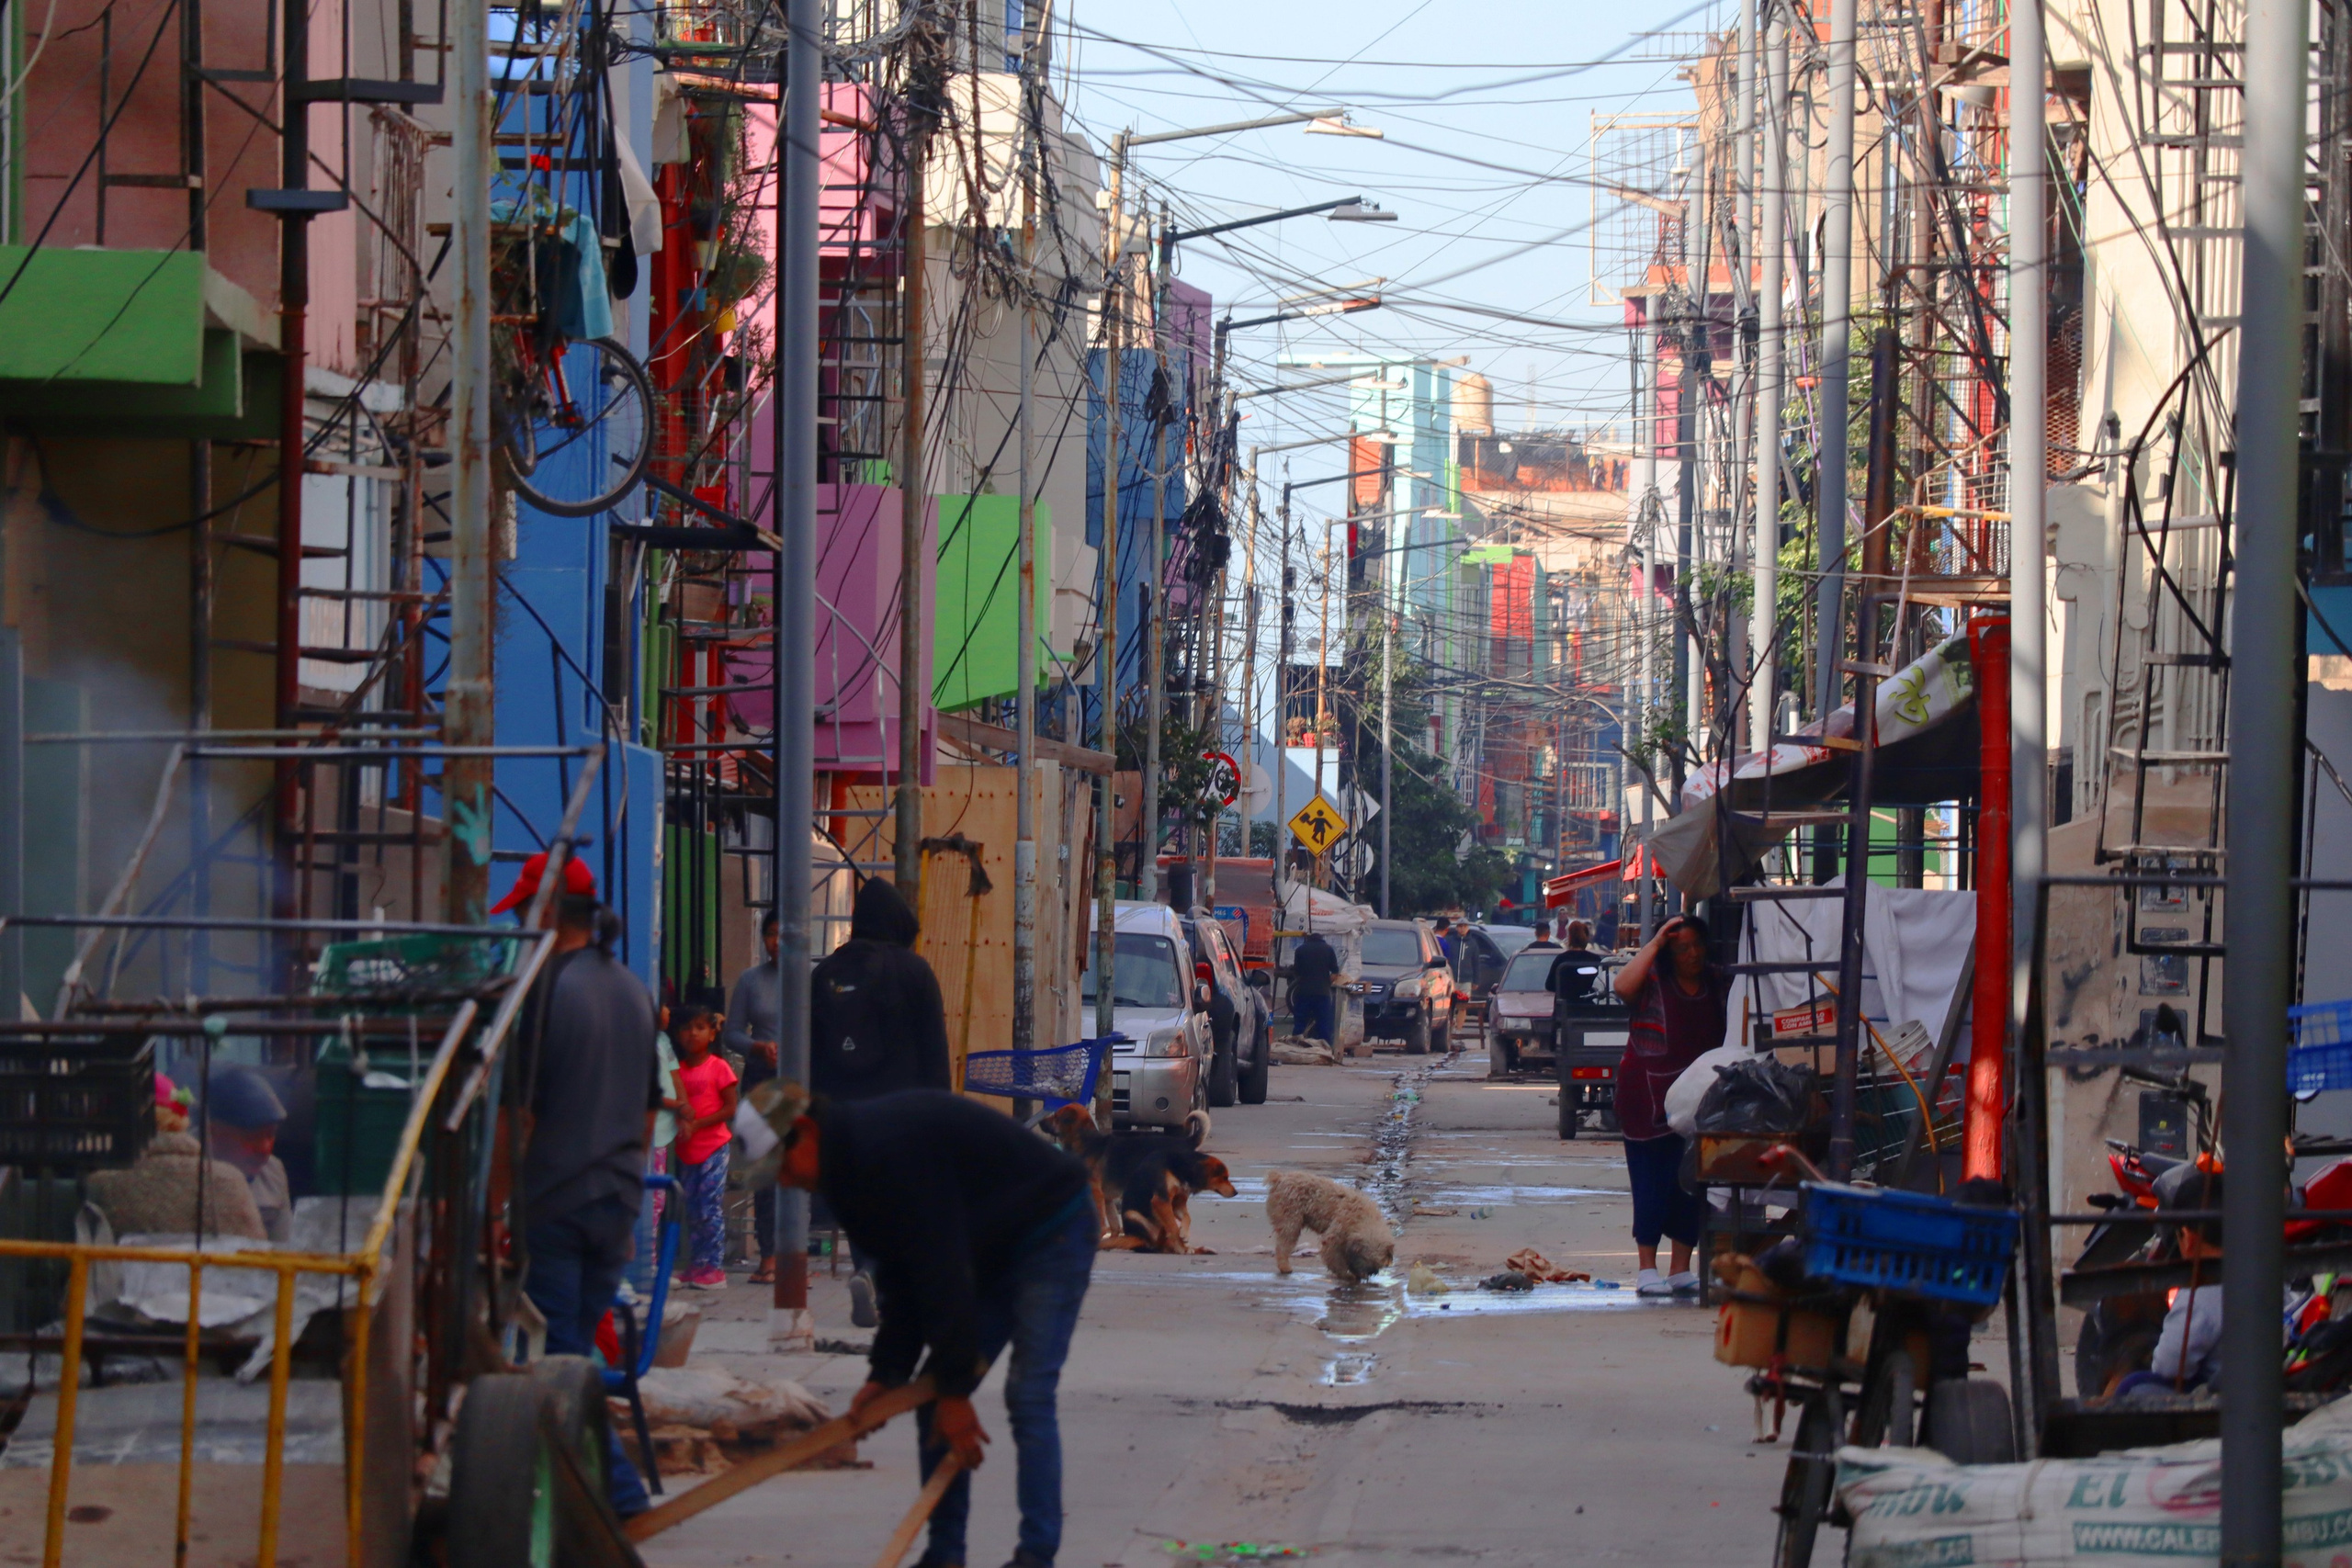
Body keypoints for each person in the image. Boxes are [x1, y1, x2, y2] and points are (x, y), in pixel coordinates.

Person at [771, 1086, 1093, 1568]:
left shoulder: (886, 1150)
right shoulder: (845, 1178)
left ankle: (1036, 1553)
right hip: (988, 1246)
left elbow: (941, 1268)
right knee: (933, 1400)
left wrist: (956, 1391)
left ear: (806, 1131)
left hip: (1053, 1230)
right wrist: (887, 1373)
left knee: (1028, 1394)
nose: (785, 1181)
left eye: (781, 1164)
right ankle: (945, 1556)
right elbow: (903, 1277)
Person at [503, 859, 661, 1517]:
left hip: (556, 1202)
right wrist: (631, 1204)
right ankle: (588, 1493)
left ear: (545, 912)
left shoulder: (542, 990)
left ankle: (618, 1496)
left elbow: (520, 1117)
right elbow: (650, 1111)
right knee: (573, 1356)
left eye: (522, 913)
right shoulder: (631, 989)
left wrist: (493, 1210)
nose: (519, 927)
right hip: (615, 1201)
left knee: (556, 1357)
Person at [810, 877, 953, 1325]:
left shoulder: (824, 974)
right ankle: (877, 1277)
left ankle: (867, 1273)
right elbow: (934, 1050)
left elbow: (810, 1053)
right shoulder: (914, 972)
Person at [1611, 913, 1727, 1297]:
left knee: (1692, 1181)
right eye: (1682, 949)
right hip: (1647, 1096)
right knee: (1651, 1179)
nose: (1692, 954)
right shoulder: (1651, 982)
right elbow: (1621, 986)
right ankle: (1647, 1269)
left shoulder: (1716, 981)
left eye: (1697, 945)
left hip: (1699, 1097)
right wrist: (1657, 941)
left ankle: (1680, 1268)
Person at [725, 912, 784, 1284]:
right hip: (762, 1077)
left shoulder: (812, 980)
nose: (778, 942)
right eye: (771, 934)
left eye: (785, 934)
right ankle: (769, 1257)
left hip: (802, 1077)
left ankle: (795, 1258)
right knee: (766, 1170)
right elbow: (731, 1033)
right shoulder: (751, 980)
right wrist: (758, 1047)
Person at [671, 1003, 739, 1290]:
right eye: (686, 1028)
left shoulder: (719, 1067)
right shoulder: (676, 1071)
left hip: (714, 1147)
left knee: (709, 1206)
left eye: (700, 1028)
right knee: (693, 1208)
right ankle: (697, 1264)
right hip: (687, 1150)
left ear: (712, 1033)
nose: (693, 1034)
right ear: (678, 1034)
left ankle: (714, 1268)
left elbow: (731, 1108)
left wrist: (698, 1124)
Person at [207, 1066, 293, 1243]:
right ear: (213, 1132)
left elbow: (284, 1246)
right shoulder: (189, 1172)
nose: (264, 1148)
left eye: (271, 1135)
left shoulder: (273, 1172)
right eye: (251, 1137)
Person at [1286, 930, 1341, 1044]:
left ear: (1308, 939)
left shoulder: (1300, 949)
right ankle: (1325, 1048)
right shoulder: (1328, 949)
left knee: (1300, 1023)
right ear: (1322, 939)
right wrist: (1326, 983)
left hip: (1303, 992)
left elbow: (1296, 972)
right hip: (1322, 993)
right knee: (1323, 1024)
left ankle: (1295, 1047)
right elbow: (1335, 972)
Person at [1550, 919, 1608, 1002]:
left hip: (1566, 1006)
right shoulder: (1595, 959)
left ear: (1569, 938)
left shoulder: (1561, 959)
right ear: (1586, 938)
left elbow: (1550, 985)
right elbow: (1603, 985)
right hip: (1589, 1006)